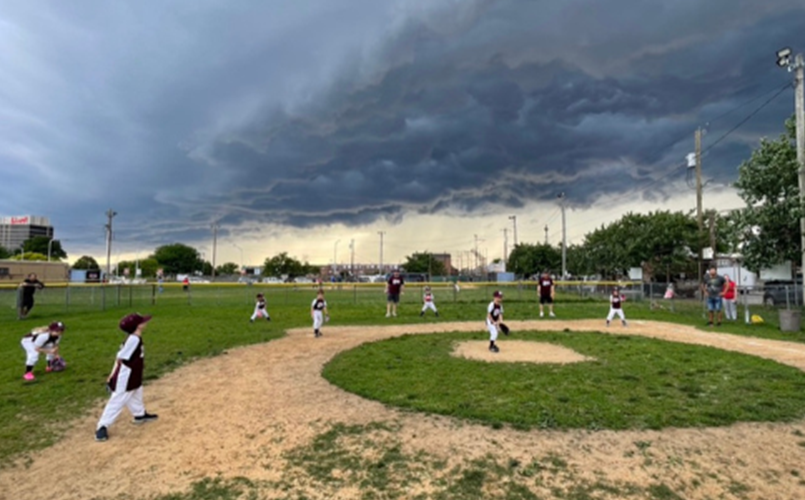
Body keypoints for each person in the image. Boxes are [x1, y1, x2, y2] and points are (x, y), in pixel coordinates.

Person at [95, 313, 158, 442]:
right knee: (118, 399)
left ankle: (139, 415)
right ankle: (102, 426)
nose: (145, 323)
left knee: (136, 392)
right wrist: (112, 375)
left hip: (134, 372)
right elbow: (120, 358)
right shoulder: (133, 340)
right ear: (137, 326)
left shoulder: (134, 337)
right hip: (126, 375)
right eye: (142, 322)